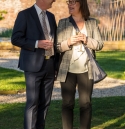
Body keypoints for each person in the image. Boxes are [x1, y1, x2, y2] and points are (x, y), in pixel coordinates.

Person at [11, 0, 59, 129]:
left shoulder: (51, 16)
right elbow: (15, 38)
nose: (54, 1)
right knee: (33, 103)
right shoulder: (24, 15)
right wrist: (37, 43)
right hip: (33, 66)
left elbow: (55, 42)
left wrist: (56, 66)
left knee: (45, 103)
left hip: (50, 65)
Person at [56, 0, 104, 129]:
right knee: (67, 103)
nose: (70, 5)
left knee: (86, 104)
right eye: (68, 2)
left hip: (87, 70)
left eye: (73, 2)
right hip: (67, 70)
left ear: (81, 4)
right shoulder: (63, 23)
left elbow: (99, 45)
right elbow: (57, 47)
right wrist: (69, 42)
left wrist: (86, 40)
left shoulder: (92, 23)